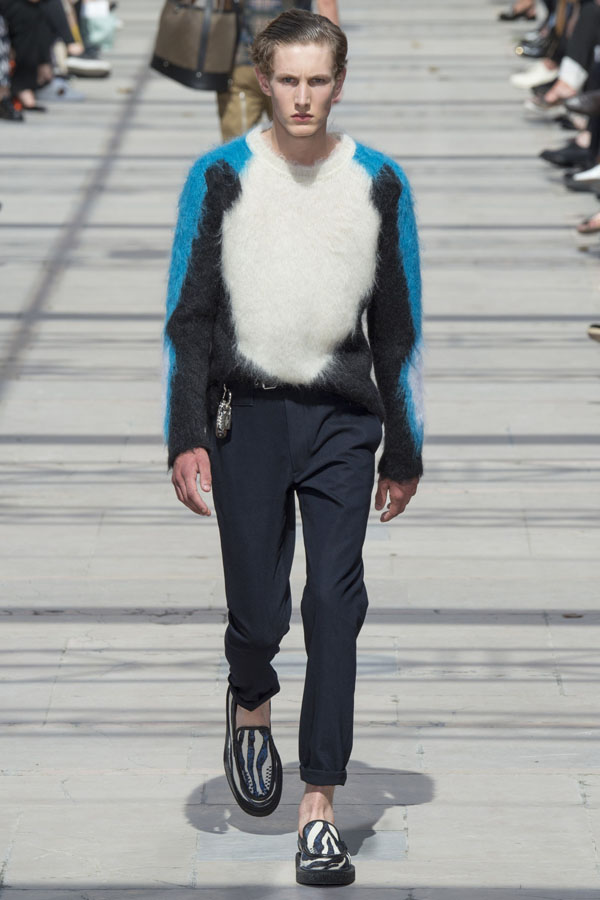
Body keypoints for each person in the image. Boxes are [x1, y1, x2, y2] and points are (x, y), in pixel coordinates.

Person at [163, 8, 423, 886]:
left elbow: (399, 326)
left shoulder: (379, 181)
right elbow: (189, 316)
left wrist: (405, 448)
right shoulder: (220, 177)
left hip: (343, 421)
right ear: (263, 81)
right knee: (258, 611)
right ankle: (250, 699)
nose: (303, 97)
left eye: (318, 80)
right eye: (288, 80)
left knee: (335, 605)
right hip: (246, 417)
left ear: (338, 84)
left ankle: (320, 803)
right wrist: (185, 435)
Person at [216, 0, 339, 141]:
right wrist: (333, 66)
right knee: (297, 140)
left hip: (240, 60)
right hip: (294, 63)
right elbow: (326, 3)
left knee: (239, 144)